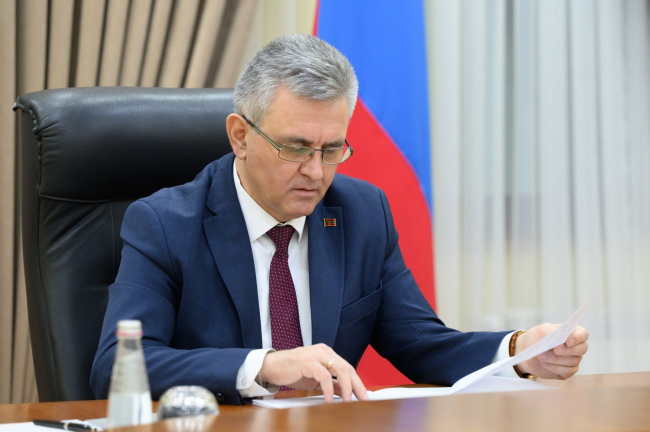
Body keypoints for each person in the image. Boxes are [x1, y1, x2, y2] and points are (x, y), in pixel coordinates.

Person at [90, 34, 589, 405]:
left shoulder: (362, 212)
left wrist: (520, 351)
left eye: (332, 149)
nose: (315, 172)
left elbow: (420, 343)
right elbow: (117, 366)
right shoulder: (164, 223)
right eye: (295, 148)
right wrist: (264, 366)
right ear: (240, 136)